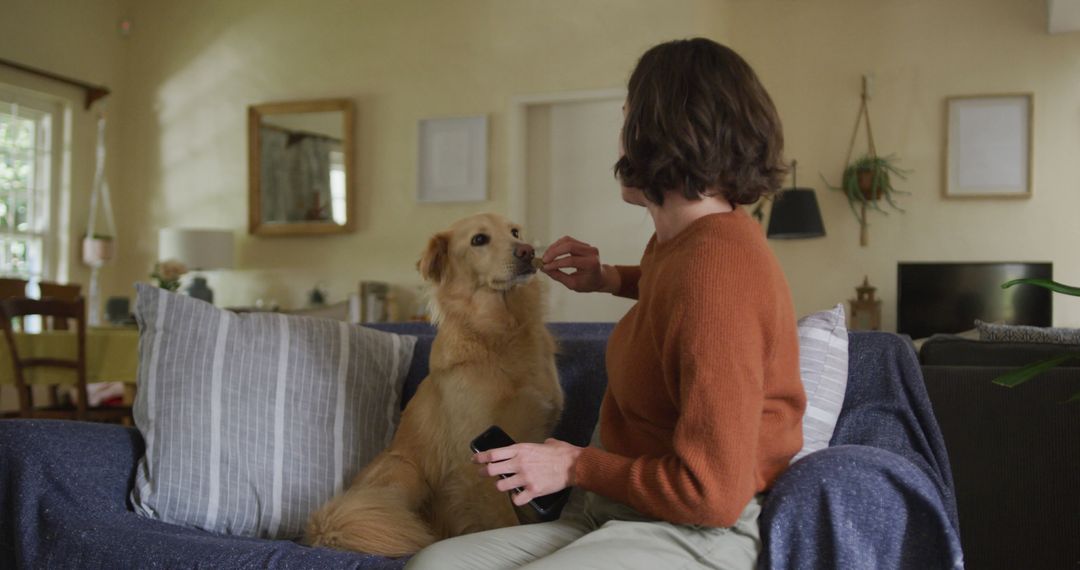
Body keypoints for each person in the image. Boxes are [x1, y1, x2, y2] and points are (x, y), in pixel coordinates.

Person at [406, 37, 806, 569]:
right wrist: (611, 278)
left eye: (627, 119)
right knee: (433, 564)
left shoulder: (719, 270)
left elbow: (712, 494)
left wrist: (575, 466)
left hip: (691, 530)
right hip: (615, 511)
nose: (620, 141)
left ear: (664, 133)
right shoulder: (685, 241)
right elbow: (678, 292)